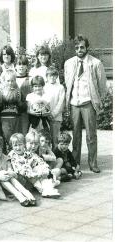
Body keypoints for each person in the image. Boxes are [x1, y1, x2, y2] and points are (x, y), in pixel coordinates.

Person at [64, 35, 107, 173]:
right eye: (76, 47)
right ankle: (75, 162)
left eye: (82, 47)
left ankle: (93, 163)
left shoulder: (95, 63)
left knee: (91, 135)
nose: (79, 50)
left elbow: (102, 87)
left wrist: (98, 102)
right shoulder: (69, 63)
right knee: (75, 135)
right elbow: (67, 83)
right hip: (74, 103)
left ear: (87, 47)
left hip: (88, 103)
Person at [0, 135, 36, 206]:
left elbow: (11, 171)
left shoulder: (5, 158)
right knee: (3, 179)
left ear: (2, 149)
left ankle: (28, 195)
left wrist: (9, 174)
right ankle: (20, 197)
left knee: (11, 178)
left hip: (8, 184)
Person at [8, 133, 60, 198]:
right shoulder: (12, 155)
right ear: (12, 146)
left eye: (20, 145)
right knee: (33, 174)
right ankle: (45, 189)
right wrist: (34, 174)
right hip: (22, 179)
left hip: (31, 175)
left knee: (40, 168)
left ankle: (48, 189)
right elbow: (19, 169)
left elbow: (37, 159)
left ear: (24, 145)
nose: (18, 148)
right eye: (15, 145)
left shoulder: (26, 153)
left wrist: (44, 169)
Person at [44, 66, 65, 147]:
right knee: (46, 138)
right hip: (45, 117)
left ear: (57, 76)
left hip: (56, 117)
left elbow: (61, 102)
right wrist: (46, 113)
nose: (52, 77)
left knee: (55, 139)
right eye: (50, 76)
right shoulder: (44, 87)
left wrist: (53, 114)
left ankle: (56, 157)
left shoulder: (60, 87)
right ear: (47, 77)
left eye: (54, 75)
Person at [0, 70, 21, 147]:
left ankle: (14, 150)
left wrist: (18, 98)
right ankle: (8, 150)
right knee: (6, 135)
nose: (10, 83)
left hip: (15, 116)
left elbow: (19, 103)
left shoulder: (17, 91)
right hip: (5, 117)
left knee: (15, 135)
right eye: (8, 81)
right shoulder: (2, 91)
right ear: (4, 81)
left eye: (12, 81)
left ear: (15, 80)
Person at [15, 55, 32, 135]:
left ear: (27, 67)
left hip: (25, 112)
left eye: (23, 64)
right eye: (19, 64)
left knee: (24, 133)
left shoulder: (30, 79)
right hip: (13, 112)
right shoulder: (12, 79)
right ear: (15, 66)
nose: (21, 66)